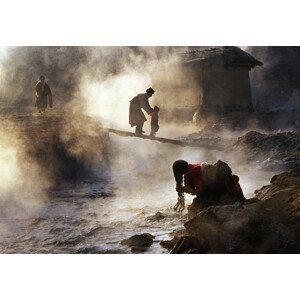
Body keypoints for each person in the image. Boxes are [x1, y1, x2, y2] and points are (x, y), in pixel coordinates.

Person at [172, 160, 245, 213]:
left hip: (221, 190)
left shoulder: (193, 172)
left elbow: (199, 190)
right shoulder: (193, 168)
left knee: (196, 205)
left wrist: (184, 190)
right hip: (227, 187)